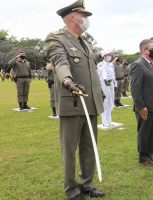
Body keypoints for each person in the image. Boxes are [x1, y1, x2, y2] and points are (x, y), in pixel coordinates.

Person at [43, 1, 105, 199]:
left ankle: (87, 183)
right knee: (70, 150)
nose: (86, 19)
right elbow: (60, 62)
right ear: (72, 17)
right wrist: (68, 82)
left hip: (91, 103)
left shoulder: (85, 42)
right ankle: (72, 189)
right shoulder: (56, 39)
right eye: (83, 15)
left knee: (89, 146)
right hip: (73, 101)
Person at [130, 39, 153, 167]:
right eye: (152, 49)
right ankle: (144, 157)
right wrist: (140, 107)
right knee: (144, 133)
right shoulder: (137, 65)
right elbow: (135, 88)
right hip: (145, 107)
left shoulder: (152, 64)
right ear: (145, 50)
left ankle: (150, 155)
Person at [97, 50, 116, 127]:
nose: (109, 56)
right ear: (104, 56)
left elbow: (113, 75)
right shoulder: (101, 65)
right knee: (106, 102)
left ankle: (109, 120)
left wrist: (115, 84)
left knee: (111, 102)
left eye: (109, 55)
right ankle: (104, 121)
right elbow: (103, 74)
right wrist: (106, 81)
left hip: (111, 84)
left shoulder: (111, 65)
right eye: (108, 55)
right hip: (104, 84)